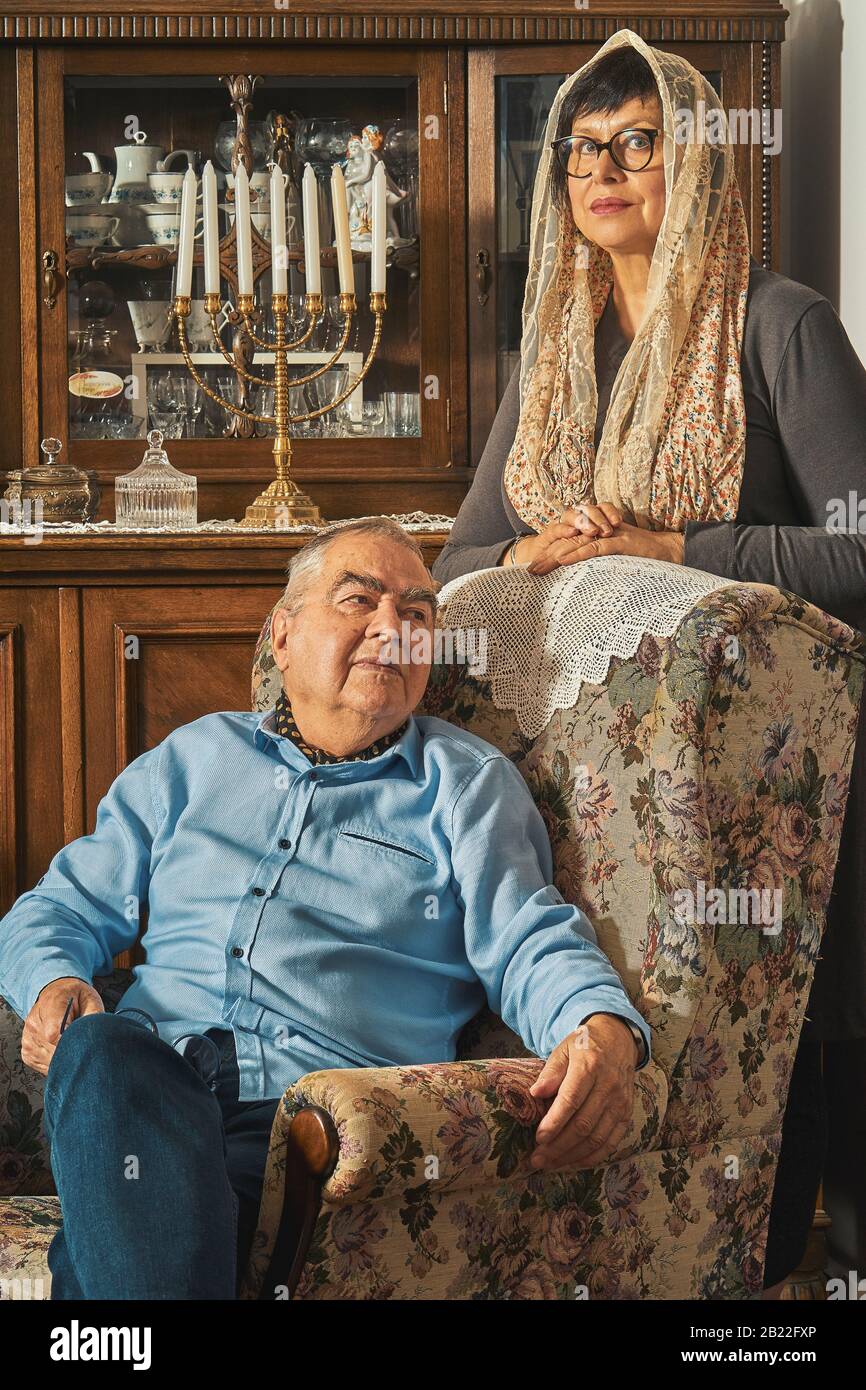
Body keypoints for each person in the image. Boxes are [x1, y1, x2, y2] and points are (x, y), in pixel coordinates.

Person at [432, 28, 866, 1296]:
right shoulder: (555, 349)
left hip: (788, 793)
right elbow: (467, 552)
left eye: (638, 145)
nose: (602, 170)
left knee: (794, 1155)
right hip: (614, 812)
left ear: (701, 170)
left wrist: (680, 543)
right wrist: (538, 545)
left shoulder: (777, 325)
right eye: (580, 151)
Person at [0, 516, 649, 1301]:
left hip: (304, 1132)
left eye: (416, 613)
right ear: (282, 635)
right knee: (104, 1055)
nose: (393, 628)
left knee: (112, 1265)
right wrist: (50, 983)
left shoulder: (463, 785)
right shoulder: (191, 760)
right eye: (359, 600)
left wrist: (599, 1027)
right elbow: (56, 909)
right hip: (140, 1097)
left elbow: (528, 939)